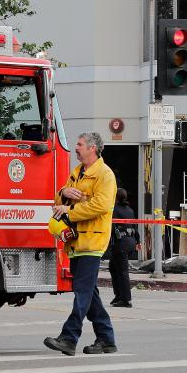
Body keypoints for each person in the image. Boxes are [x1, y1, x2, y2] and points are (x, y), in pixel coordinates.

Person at [44, 132, 118, 355]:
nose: (76, 148)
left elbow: (101, 206)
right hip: (76, 242)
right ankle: (106, 339)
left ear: (92, 148)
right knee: (89, 293)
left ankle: (69, 337)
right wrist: (63, 192)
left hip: (93, 241)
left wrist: (69, 210)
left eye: (80, 144)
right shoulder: (77, 172)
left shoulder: (105, 175)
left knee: (83, 292)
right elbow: (59, 201)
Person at [107, 188, 138, 308]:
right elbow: (135, 226)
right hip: (130, 242)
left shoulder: (115, 210)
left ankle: (126, 299)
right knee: (113, 267)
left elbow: (111, 227)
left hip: (121, 244)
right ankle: (119, 295)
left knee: (122, 271)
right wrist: (138, 241)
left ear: (115, 197)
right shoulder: (130, 210)